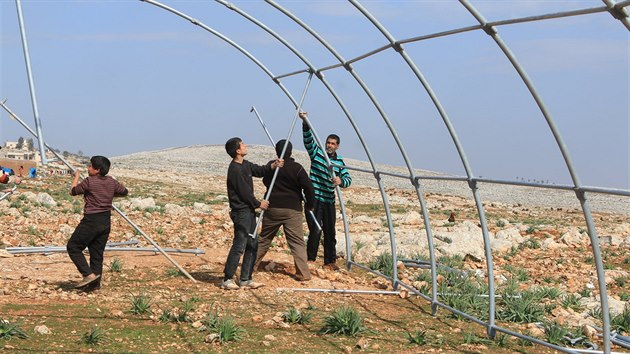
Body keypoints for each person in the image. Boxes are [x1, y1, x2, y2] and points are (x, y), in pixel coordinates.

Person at [222, 137, 283, 290]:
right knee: (240, 244)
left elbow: (260, 170)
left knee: (252, 244)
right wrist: (258, 204)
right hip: (241, 212)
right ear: (237, 151)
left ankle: (245, 279)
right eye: (242, 144)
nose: (245, 145)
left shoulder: (246, 165)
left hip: (248, 212)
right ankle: (227, 278)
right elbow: (244, 192)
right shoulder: (234, 169)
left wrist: (273, 165)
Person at [255, 140, 315, 281]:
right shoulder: (297, 168)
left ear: (277, 151)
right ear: (291, 151)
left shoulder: (272, 166)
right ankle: (303, 273)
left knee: (264, 239)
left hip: (273, 208)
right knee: (297, 242)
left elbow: (265, 181)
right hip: (292, 210)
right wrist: (310, 204)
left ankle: (250, 267)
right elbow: (309, 187)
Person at [66, 156, 128, 291]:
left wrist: (76, 176)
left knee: (73, 247)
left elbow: (73, 191)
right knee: (96, 253)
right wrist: (109, 195)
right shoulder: (111, 182)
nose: (88, 168)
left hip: (91, 220)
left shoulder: (90, 182)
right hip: (105, 221)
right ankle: (94, 286)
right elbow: (124, 192)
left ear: (97, 170)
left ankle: (88, 275)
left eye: (90, 166)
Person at [299, 111, 352, 271]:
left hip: (329, 200)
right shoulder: (318, 153)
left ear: (337, 146)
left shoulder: (339, 162)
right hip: (315, 198)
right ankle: (310, 259)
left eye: (333, 143)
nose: (329, 145)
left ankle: (330, 261)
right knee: (315, 229)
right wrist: (305, 122)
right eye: (328, 142)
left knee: (330, 231)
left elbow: (348, 179)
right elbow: (308, 141)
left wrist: (340, 181)